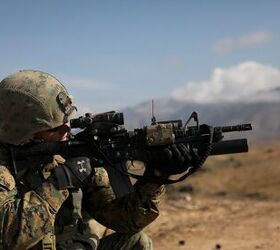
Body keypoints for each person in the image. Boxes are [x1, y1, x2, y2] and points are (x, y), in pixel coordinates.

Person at [0, 70, 192, 250]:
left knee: (136, 242)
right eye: (55, 129)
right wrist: (61, 181)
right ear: (21, 132)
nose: (67, 131)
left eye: (66, 123)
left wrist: (157, 176)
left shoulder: (64, 154)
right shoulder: (4, 169)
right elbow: (11, 236)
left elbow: (123, 219)